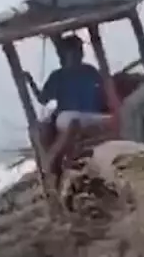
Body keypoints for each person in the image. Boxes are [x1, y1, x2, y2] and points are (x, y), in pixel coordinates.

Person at [25, 35, 111, 173]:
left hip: (92, 117)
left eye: (80, 50)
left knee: (111, 119)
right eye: (75, 50)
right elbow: (43, 99)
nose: (79, 53)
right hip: (67, 118)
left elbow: (105, 92)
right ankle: (52, 159)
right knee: (71, 121)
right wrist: (31, 82)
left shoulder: (90, 70)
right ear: (65, 54)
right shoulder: (58, 76)